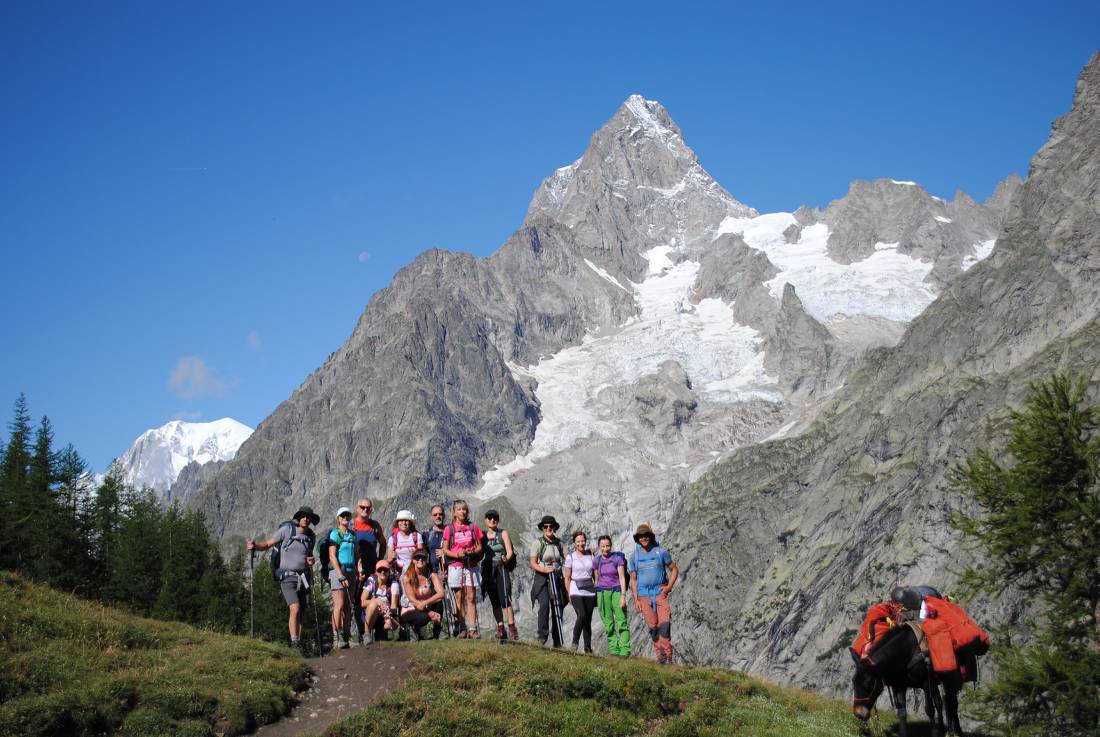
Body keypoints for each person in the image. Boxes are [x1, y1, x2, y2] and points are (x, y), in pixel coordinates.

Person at [246, 506, 318, 650]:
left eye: (308, 517)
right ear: (298, 517)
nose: (305, 518)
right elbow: (268, 544)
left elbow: (308, 556)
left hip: (303, 577)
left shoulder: (311, 536)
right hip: (287, 577)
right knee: (295, 608)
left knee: (301, 611)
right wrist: (255, 546)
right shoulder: (286, 531)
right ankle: (294, 642)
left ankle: (298, 642)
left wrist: (311, 561)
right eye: (303, 516)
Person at [628, 523, 678, 664]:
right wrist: (636, 600)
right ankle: (661, 658)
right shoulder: (634, 557)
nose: (643, 538)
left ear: (650, 536)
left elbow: (674, 569)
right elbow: (633, 579)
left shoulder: (661, 552)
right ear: (637, 539)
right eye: (641, 536)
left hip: (659, 593)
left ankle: (668, 658)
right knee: (653, 628)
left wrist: (668, 587)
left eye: (646, 535)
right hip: (644, 596)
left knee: (665, 625)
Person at [441, 499, 484, 637]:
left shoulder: (473, 527)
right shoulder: (449, 529)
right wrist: (457, 554)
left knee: (471, 597)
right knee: (458, 597)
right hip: (456, 565)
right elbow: (445, 550)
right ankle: (462, 627)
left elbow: (479, 546)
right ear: (454, 512)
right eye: (459, 509)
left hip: (471, 565)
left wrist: (473, 552)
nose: (462, 511)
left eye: (464, 509)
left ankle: (472, 629)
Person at [351, 498, 386, 643]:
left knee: (376, 598)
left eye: (368, 507)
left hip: (372, 569)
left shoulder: (375, 525)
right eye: (362, 507)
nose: (365, 510)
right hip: (355, 570)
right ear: (357, 508)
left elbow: (382, 543)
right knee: (358, 601)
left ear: (371, 509)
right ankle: (362, 633)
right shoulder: (352, 525)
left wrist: (379, 561)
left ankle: (376, 632)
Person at [529, 515, 567, 647]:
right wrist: (544, 570)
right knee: (544, 604)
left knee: (558, 605)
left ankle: (557, 640)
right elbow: (533, 563)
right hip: (542, 578)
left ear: (555, 527)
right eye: (546, 526)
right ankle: (542, 636)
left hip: (556, 577)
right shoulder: (538, 543)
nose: (549, 528)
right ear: (542, 528)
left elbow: (568, 558)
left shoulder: (560, 543)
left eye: (551, 526)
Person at [481, 509, 518, 640]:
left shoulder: (503, 533)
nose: (492, 520)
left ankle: (512, 628)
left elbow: (510, 551)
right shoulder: (482, 536)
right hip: (487, 570)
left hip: (501, 568)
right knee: (494, 600)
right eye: (490, 518)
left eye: (495, 518)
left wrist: (505, 559)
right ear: (485, 520)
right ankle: (501, 628)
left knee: (505, 599)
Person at [327, 507, 361, 649]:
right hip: (337, 571)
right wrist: (340, 574)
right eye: (343, 516)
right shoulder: (335, 534)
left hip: (351, 571)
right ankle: (337, 637)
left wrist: (359, 569)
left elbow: (357, 555)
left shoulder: (353, 535)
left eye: (347, 515)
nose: (345, 518)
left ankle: (346, 637)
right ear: (338, 518)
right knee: (339, 604)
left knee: (348, 606)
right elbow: (332, 555)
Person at [593, 534, 631, 657]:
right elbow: (596, 578)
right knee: (608, 622)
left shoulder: (617, 559)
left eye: (607, 545)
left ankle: (625, 650)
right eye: (603, 546)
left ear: (611, 545)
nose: (605, 549)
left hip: (617, 591)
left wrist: (623, 596)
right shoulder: (597, 560)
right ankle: (614, 650)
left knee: (621, 620)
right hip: (602, 593)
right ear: (599, 547)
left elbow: (622, 578)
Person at [563, 530, 597, 653]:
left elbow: (594, 574)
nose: (581, 543)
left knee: (588, 619)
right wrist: (569, 593)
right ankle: (574, 643)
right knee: (581, 615)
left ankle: (588, 648)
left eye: (583, 541)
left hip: (590, 591)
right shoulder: (570, 557)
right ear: (574, 542)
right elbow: (567, 577)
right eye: (578, 541)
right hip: (575, 589)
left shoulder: (591, 555)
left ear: (585, 541)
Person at [399, 550, 445, 639]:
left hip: (424, 605)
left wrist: (426, 603)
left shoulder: (432, 575)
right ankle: (414, 629)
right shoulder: (407, 576)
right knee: (424, 617)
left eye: (423, 558)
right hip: (410, 607)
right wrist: (429, 612)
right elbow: (413, 601)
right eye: (417, 558)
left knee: (439, 602)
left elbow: (442, 593)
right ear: (413, 560)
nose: (420, 560)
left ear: (426, 560)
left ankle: (438, 629)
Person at [362, 559, 401, 642]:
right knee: (373, 604)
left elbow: (394, 605)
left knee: (391, 624)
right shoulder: (371, 581)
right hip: (370, 613)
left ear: (389, 572)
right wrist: (377, 601)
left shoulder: (394, 584)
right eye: (380, 570)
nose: (382, 572)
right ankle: (366, 633)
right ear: (376, 572)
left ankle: (381, 633)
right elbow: (362, 602)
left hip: (385, 614)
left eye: (385, 570)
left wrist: (390, 614)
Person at [386, 509, 425, 574]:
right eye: (401, 520)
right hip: (398, 571)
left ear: (410, 523)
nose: (404, 523)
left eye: (406, 520)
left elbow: (421, 556)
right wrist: (392, 558)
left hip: (414, 571)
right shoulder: (393, 539)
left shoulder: (417, 537)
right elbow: (389, 560)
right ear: (397, 523)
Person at [425, 504, 447, 569]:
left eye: (440, 514)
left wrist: (445, 552)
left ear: (444, 516)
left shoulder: (451, 533)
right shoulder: (426, 534)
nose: (438, 516)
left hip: (450, 572)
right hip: (432, 572)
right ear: (431, 517)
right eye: (435, 515)